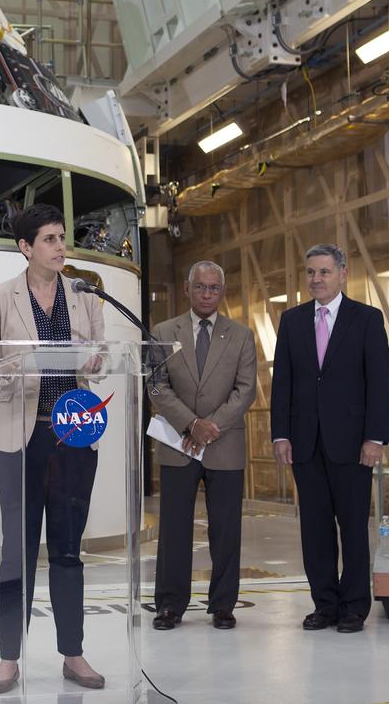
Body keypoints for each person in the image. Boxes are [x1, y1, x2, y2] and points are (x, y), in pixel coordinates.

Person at [0, 203, 107, 694]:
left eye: (62, 238)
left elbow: (102, 359)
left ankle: (73, 654)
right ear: (25, 247)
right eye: (49, 239)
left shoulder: (85, 294)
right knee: (19, 553)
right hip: (20, 436)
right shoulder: (0, 297)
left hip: (74, 435)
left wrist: (94, 361)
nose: (60, 247)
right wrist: (19, 367)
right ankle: (9, 657)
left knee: (69, 550)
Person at [270, 243, 389, 634]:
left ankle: (354, 606)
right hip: (305, 443)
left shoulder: (367, 319)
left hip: (353, 443)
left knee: (353, 527)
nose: (316, 279)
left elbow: (379, 385)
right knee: (315, 529)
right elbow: (282, 382)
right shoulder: (291, 321)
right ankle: (325, 604)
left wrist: (375, 437)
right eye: (310, 272)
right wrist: (280, 435)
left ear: (342, 274)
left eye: (323, 272)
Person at [149, 260, 257, 631]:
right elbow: (156, 386)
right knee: (174, 528)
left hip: (225, 445)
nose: (207, 293)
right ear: (187, 288)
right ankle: (169, 605)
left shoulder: (242, 335)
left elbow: (246, 390)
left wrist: (212, 427)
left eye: (213, 288)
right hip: (178, 443)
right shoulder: (163, 331)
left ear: (222, 292)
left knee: (226, 529)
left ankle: (223, 604)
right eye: (200, 287)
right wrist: (191, 424)